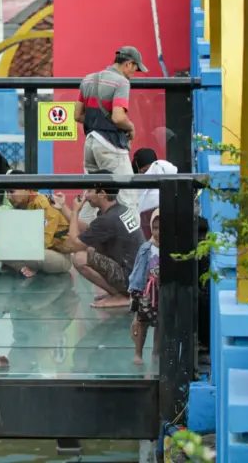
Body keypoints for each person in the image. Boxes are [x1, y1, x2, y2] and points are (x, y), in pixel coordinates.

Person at [74, 46, 148, 220]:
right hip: (110, 145)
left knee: (91, 197)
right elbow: (118, 118)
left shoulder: (88, 79)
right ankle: (133, 244)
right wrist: (131, 128)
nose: (134, 73)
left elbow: (77, 115)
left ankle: (82, 242)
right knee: (128, 196)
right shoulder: (121, 82)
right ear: (128, 64)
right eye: (136, 68)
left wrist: (98, 123)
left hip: (90, 143)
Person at [61, 170, 145, 308]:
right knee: (90, 247)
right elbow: (89, 230)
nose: (86, 195)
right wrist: (63, 207)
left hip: (131, 280)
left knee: (79, 257)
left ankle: (123, 295)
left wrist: (76, 211)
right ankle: (120, 292)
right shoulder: (119, 209)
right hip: (136, 276)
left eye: (89, 190)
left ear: (102, 194)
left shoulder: (108, 219)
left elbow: (73, 245)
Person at [2, 171, 72, 277]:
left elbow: (44, 243)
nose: (8, 196)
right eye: (7, 192)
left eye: (12, 191)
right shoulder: (25, 204)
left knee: (28, 253)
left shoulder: (45, 205)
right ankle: (24, 268)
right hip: (36, 251)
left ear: (26, 189)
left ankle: (28, 267)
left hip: (58, 256)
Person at [128, 208, 161, 365]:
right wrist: (135, 292)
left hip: (163, 292)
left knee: (161, 323)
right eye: (155, 228)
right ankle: (138, 352)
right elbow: (139, 270)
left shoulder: (173, 248)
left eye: (162, 228)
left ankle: (157, 351)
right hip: (148, 291)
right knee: (142, 321)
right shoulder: (147, 248)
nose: (158, 232)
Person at [131, 147, 178, 239]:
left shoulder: (163, 186)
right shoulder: (130, 186)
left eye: (151, 170)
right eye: (144, 171)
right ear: (136, 168)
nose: (148, 175)